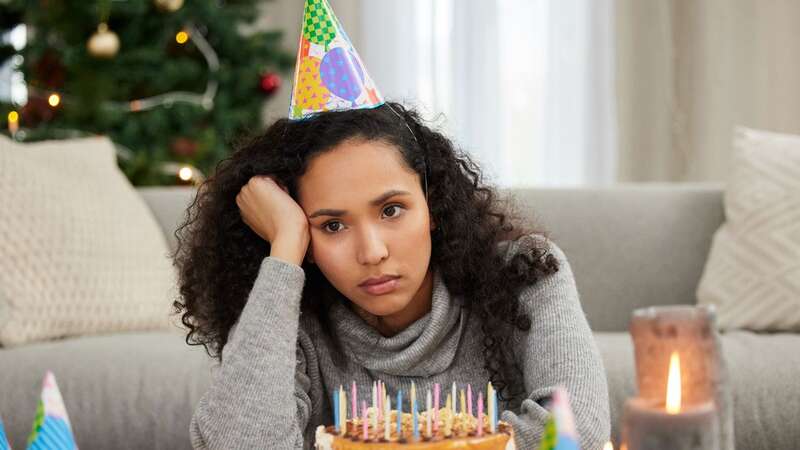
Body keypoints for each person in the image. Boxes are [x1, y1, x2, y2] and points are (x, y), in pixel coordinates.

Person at [175, 2, 608, 449]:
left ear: (433, 203)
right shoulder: (293, 316)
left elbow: (578, 435)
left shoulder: (525, 274)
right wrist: (284, 250)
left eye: (391, 210)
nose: (372, 251)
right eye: (331, 226)